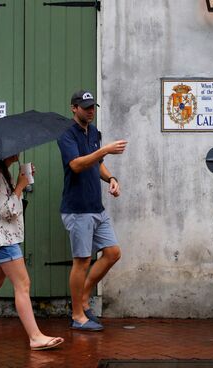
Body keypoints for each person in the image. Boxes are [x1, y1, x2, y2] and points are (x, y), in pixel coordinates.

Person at [0, 155, 64, 350]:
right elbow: (7, 211)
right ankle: (35, 337)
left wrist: (22, 179)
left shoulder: (3, 173)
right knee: (23, 284)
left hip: (2, 238)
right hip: (3, 240)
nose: (18, 151)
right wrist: (21, 185)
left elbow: (9, 204)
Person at [57, 90, 127, 331]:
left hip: (96, 207)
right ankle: (78, 316)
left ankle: (83, 297)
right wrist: (104, 150)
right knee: (82, 261)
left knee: (113, 253)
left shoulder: (94, 132)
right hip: (77, 209)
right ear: (73, 108)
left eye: (92, 107)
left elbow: (97, 164)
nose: (90, 110)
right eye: (85, 106)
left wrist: (112, 178)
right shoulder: (66, 134)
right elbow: (76, 165)